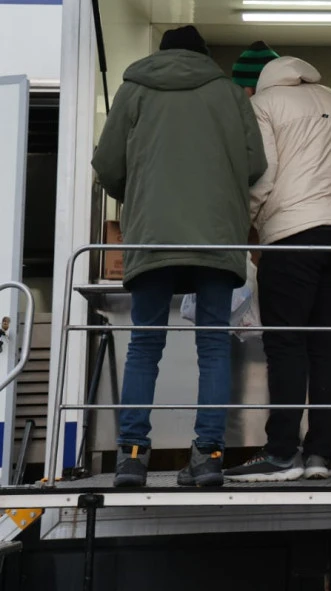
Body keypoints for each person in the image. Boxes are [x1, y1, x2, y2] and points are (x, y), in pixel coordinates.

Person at [92, 25, 266, 488]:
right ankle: (208, 457)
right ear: (204, 55)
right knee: (213, 346)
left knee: (145, 345)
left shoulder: (133, 90)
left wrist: (138, 192)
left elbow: (107, 165)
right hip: (216, 237)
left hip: (153, 235)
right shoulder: (229, 94)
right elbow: (255, 164)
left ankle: (132, 457)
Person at [225, 56, 331, 483]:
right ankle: (320, 453)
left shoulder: (264, 105)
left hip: (292, 234)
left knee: (286, 342)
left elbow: (263, 174)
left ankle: (281, 452)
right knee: (328, 344)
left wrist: (246, 226)